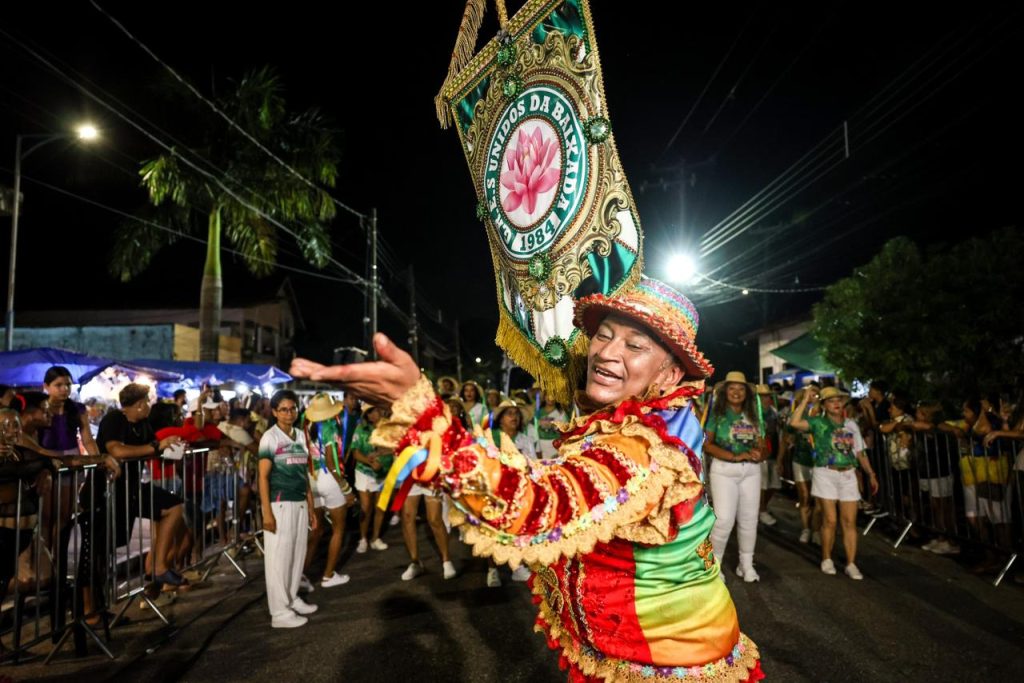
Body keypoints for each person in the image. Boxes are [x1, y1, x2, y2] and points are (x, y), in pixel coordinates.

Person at [289, 277, 763, 683]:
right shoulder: (640, 420)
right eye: (604, 335)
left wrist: (425, 419)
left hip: (670, 663)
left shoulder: (648, 445)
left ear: (672, 373)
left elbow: (538, 504)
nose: (606, 352)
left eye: (635, 345)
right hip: (630, 653)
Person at [790, 386, 879, 580]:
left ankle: (851, 564)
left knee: (849, 521)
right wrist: (805, 400)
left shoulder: (851, 424)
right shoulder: (817, 422)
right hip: (825, 473)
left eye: (838, 400)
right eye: (831, 401)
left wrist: (870, 473)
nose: (836, 403)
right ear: (824, 405)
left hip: (848, 474)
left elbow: (860, 453)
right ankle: (827, 558)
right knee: (830, 520)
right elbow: (794, 422)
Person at [258, 390, 319, 627]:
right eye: (283, 409)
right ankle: (279, 612)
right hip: (279, 503)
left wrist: (311, 507)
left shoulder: (300, 435)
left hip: (300, 502)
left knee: (296, 555)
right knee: (279, 559)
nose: (289, 413)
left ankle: (291, 598)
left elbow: (304, 473)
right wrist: (267, 513)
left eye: (292, 408)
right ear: (274, 412)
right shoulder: (269, 438)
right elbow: (263, 477)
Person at [704, 372, 766, 583]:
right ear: (725, 391)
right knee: (724, 519)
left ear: (746, 393)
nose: (736, 392)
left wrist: (760, 453)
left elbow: (763, 444)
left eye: (741, 389)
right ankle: (715, 565)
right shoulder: (717, 415)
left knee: (749, 519)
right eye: (732, 388)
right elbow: (707, 444)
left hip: (751, 471)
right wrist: (734, 456)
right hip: (724, 470)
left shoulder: (754, 415)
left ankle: (746, 564)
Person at [303, 393, 356, 589]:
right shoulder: (330, 427)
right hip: (328, 479)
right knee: (338, 529)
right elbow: (331, 463)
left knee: (316, 530)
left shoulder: (307, 426)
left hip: (312, 478)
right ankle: (328, 575)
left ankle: (301, 574)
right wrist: (346, 488)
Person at [351, 404, 392, 554]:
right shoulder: (361, 429)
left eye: (375, 410)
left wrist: (381, 455)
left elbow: (395, 448)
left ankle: (375, 538)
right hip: (364, 472)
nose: (373, 414)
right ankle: (363, 538)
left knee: (380, 506)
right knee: (366, 507)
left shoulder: (388, 428)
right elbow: (355, 452)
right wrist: (370, 462)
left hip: (384, 472)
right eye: (369, 412)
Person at [756, 384, 781, 526]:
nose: (765, 399)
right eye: (761, 396)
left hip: (773, 451)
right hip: (760, 454)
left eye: (767, 396)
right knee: (762, 485)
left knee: (774, 484)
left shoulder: (773, 412)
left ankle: (762, 506)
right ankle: (762, 510)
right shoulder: (753, 412)